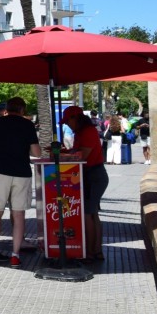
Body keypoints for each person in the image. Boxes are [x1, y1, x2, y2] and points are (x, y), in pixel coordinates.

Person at [0, 97, 42, 267]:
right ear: (22, 110)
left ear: (7, 109)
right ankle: (15, 255)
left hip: (0, 173)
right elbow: (36, 153)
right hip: (22, 174)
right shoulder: (28, 125)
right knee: (19, 215)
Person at [60, 106, 108, 262]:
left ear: (75, 118)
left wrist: (66, 155)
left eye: (68, 121)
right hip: (91, 175)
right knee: (92, 213)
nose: (67, 125)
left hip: (93, 175)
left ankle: (90, 252)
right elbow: (77, 151)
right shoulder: (81, 132)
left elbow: (82, 155)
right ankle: (96, 251)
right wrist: (66, 152)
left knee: (88, 214)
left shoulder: (87, 132)